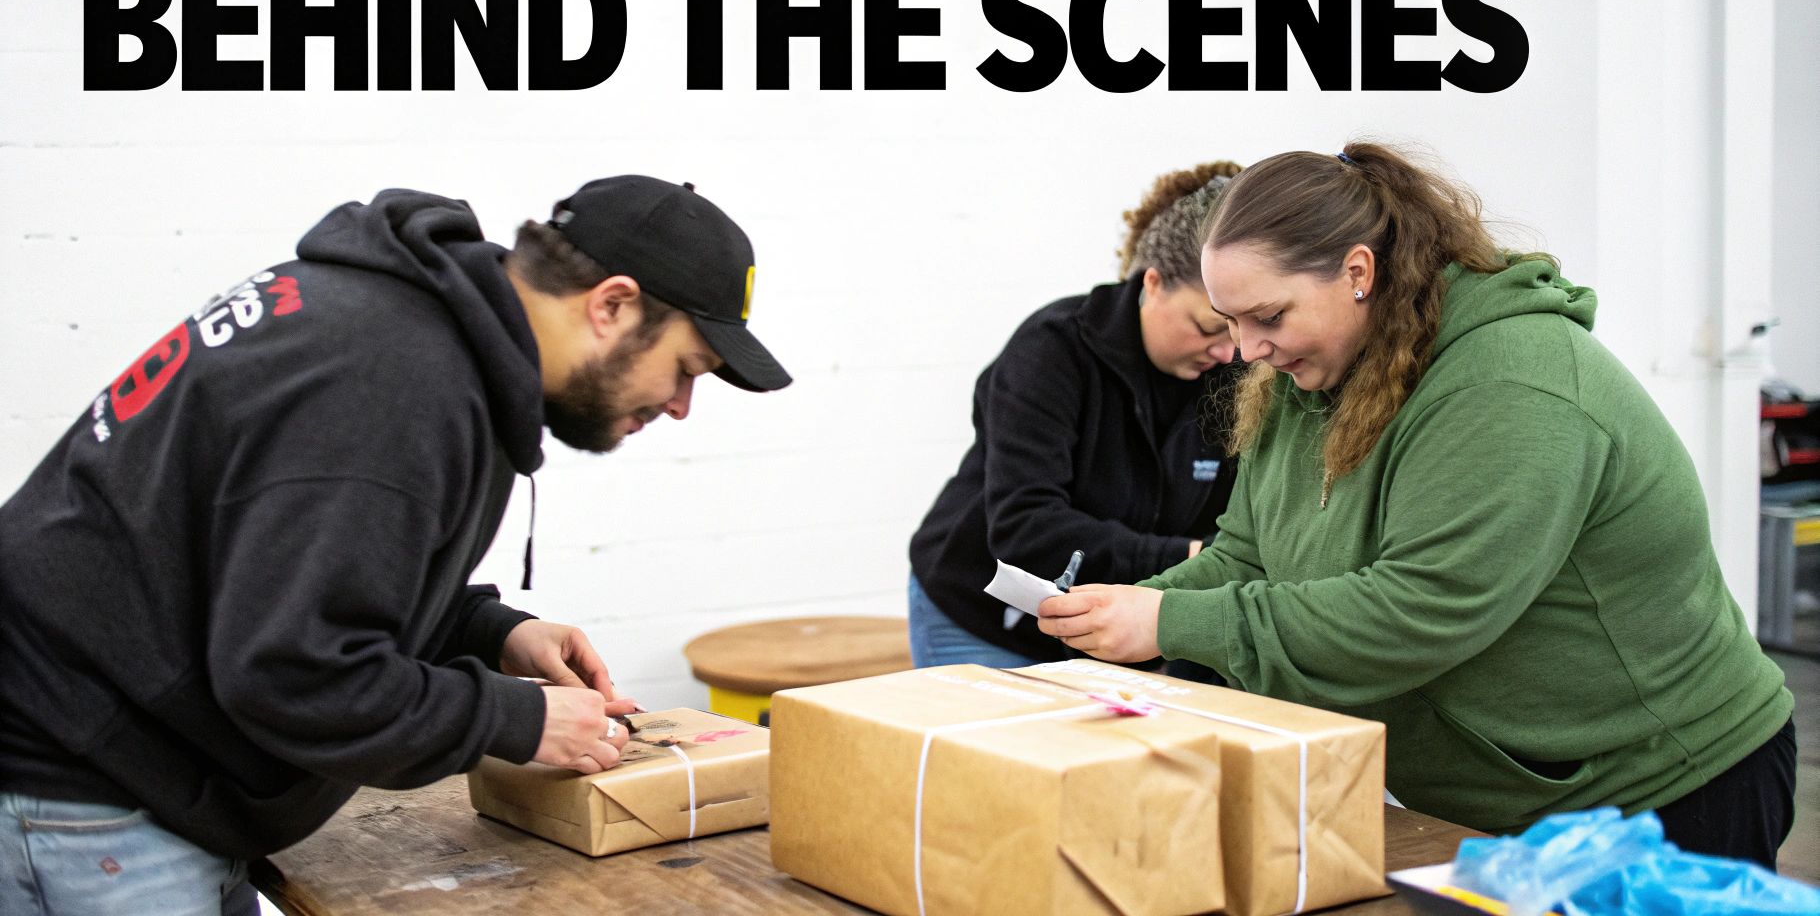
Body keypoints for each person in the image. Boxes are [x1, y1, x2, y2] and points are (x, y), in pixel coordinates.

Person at [0, 176, 791, 914]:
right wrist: (514, 722)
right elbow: (294, 672)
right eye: (686, 367)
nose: (682, 406)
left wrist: (491, 632)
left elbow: (287, 568)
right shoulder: (394, 382)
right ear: (613, 305)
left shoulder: (398, 329)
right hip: (83, 790)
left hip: (122, 769)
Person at [1036, 142, 1797, 868]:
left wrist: (1170, 623)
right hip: (1503, 797)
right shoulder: (1306, 379)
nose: (1245, 350)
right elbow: (1249, 553)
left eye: (1267, 317)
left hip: (1662, 788)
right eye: (1230, 323)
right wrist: (1136, 608)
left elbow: (1425, 608)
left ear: (1358, 271)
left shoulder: (1512, 383)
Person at [908, 163, 1244, 667]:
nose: (1225, 352)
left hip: (1122, 627)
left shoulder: (1241, 374)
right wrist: (1194, 560)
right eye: (1206, 328)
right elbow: (1026, 526)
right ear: (1152, 283)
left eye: (1237, 331)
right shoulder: (1052, 351)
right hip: (982, 620)